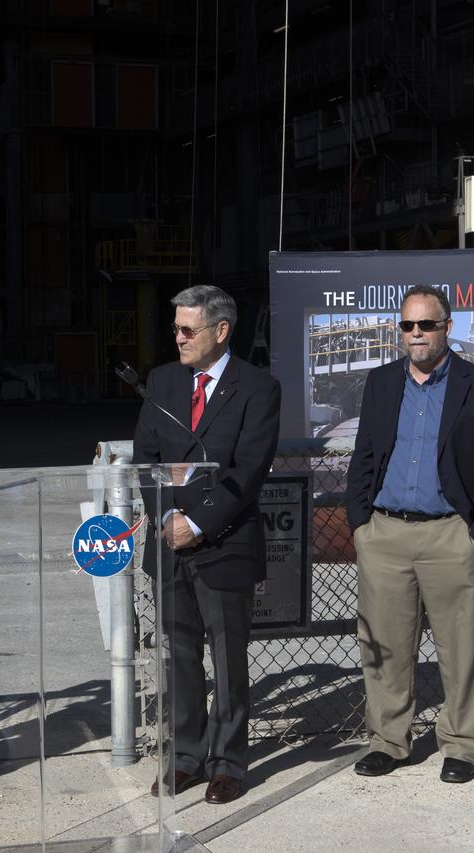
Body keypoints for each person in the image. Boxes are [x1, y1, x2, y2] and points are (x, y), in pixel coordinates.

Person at [345, 284, 474, 784]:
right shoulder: (379, 383)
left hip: (450, 536)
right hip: (384, 534)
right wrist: (361, 527)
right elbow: (364, 459)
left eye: (426, 324)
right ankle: (388, 742)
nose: (415, 334)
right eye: (407, 325)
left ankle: (463, 745)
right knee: (385, 647)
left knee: (460, 648)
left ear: (446, 327)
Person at [133, 284, 281, 805]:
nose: (177, 338)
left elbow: (249, 467)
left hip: (225, 544)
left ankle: (228, 764)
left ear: (221, 331)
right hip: (169, 547)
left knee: (228, 659)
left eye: (187, 329)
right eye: (174, 328)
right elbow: (145, 458)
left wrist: (196, 523)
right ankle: (185, 760)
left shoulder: (258, 388)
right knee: (178, 658)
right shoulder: (162, 382)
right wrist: (168, 516)